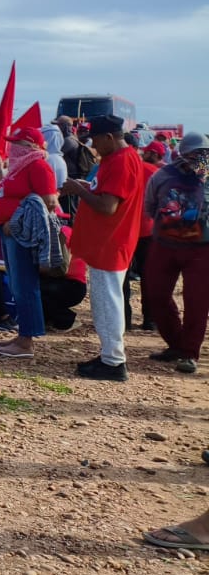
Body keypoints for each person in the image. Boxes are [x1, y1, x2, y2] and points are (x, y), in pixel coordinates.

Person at [62, 113, 144, 381]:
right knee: (104, 302)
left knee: (107, 303)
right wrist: (88, 188)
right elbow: (108, 195)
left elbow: (108, 207)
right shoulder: (117, 158)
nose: (93, 146)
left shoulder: (121, 161)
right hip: (108, 242)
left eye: (96, 140)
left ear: (109, 137)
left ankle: (113, 362)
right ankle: (110, 354)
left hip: (111, 243)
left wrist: (78, 189)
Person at [0, 125, 59, 359]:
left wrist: (15, 222)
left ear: (28, 146)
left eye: (17, 143)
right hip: (11, 232)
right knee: (19, 284)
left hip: (21, 235)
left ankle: (26, 340)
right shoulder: (22, 166)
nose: (12, 148)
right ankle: (23, 335)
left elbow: (47, 202)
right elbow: (7, 191)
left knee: (24, 285)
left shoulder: (39, 166)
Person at [142, 131, 209, 375]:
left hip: (202, 249)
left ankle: (190, 353)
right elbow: (149, 206)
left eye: (204, 154)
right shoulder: (163, 175)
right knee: (156, 295)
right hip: (164, 245)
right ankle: (176, 344)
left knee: (197, 302)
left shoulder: (208, 174)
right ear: (182, 153)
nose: (199, 158)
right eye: (194, 154)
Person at [128, 141, 165, 332]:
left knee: (122, 276)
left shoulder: (127, 167)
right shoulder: (156, 172)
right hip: (148, 229)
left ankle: (123, 319)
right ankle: (150, 320)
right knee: (148, 276)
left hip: (125, 229)